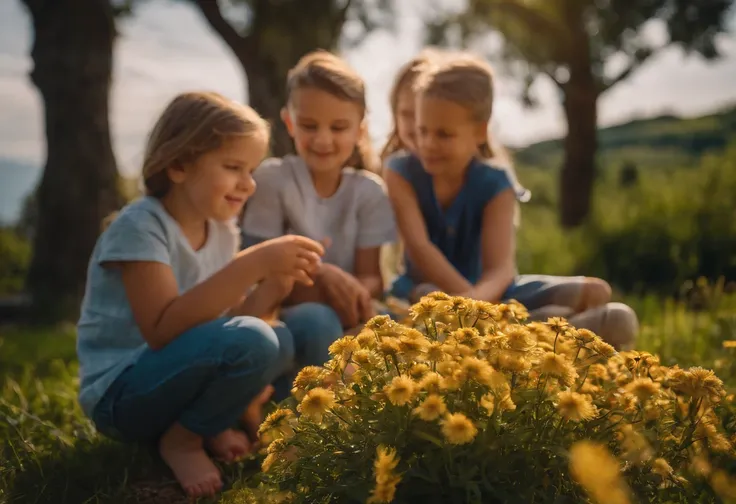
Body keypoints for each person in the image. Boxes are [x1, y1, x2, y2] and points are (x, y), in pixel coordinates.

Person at [76, 91, 327, 498]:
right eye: (233, 168)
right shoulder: (141, 226)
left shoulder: (221, 231)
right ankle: (183, 441)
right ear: (178, 164)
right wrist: (253, 263)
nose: (247, 185)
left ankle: (210, 424)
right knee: (257, 338)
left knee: (278, 337)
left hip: (177, 379)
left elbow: (231, 321)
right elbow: (161, 329)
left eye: (251, 171)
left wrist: (273, 285)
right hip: (123, 395)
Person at [383, 53, 638, 349]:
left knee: (595, 291)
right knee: (426, 298)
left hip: (493, 293)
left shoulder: (496, 183)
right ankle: (531, 335)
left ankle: (517, 331)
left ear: (480, 130)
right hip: (426, 296)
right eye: (422, 130)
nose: (427, 143)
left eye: (443, 134)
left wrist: (476, 305)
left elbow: (500, 270)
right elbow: (420, 249)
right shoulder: (399, 171)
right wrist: (472, 310)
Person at [241, 50, 397, 332]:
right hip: (283, 314)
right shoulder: (272, 180)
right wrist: (323, 277)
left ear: (360, 131)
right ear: (289, 123)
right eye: (309, 126)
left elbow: (372, 277)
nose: (323, 139)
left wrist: (350, 291)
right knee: (318, 321)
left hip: (349, 309)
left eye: (338, 128)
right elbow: (257, 276)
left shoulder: (370, 192)